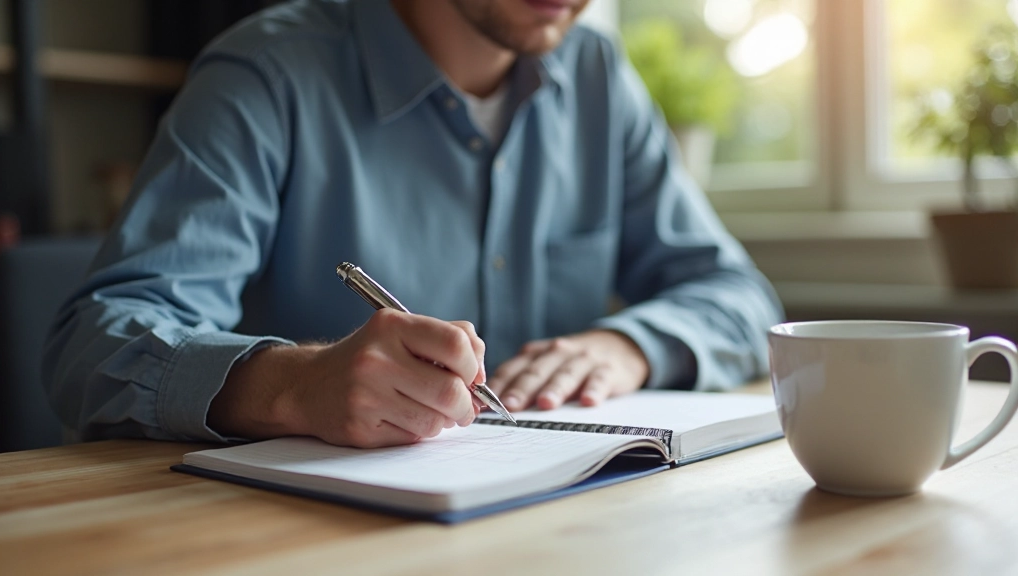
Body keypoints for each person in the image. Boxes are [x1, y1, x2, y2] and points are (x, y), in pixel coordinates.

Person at [43, 0, 783, 449]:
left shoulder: (598, 79)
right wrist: (293, 386)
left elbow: (740, 297)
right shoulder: (267, 74)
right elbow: (93, 346)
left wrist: (629, 346)